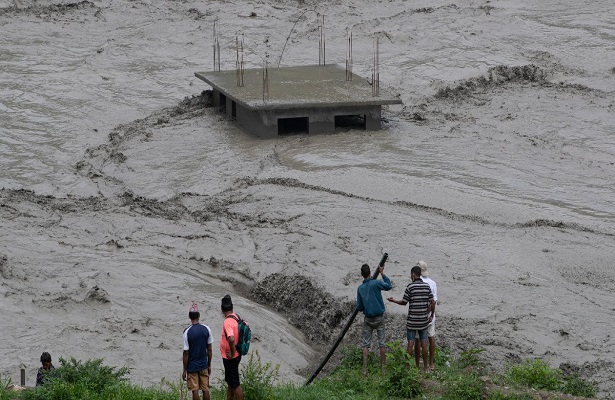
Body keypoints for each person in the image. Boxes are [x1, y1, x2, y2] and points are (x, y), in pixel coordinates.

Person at [387, 265, 435, 372]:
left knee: (410, 343)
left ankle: (407, 368)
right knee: (424, 343)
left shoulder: (410, 287)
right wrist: (430, 314)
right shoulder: (427, 287)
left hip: (412, 321)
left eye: (411, 274)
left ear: (413, 274)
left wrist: (394, 300)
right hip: (423, 321)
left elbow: (404, 302)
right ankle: (426, 368)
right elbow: (432, 302)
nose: (410, 276)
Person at [356, 262, 392, 376]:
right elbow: (388, 285)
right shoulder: (376, 283)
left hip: (368, 319)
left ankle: (365, 369)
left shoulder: (360, 288)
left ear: (362, 275)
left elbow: (359, 307)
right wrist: (382, 273)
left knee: (365, 344)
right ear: (370, 273)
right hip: (379, 318)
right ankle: (384, 369)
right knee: (382, 343)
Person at [183, 303, 213, 400]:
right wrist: (209, 365)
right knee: (205, 389)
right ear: (199, 316)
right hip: (203, 364)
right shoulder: (206, 329)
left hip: (192, 366)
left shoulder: (187, 332)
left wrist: (184, 370)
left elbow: (186, 353)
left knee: (194, 390)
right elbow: (209, 349)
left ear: (189, 317)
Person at [414, 261, 437, 371]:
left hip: (419, 316)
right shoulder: (432, 283)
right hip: (430, 316)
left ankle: (418, 364)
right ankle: (431, 363)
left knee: (418, 340)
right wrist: (431, 314)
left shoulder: (417, 282)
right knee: (431, 337)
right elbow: (434, 302)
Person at [220, 295, 243, 400]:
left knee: (235, 384)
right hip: (236, 354)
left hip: (231, 358)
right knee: (230, 382)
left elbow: (231, 339)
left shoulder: (227, 322)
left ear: (222, 309)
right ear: (232, 307)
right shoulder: (236, 317)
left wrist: (232, 353)